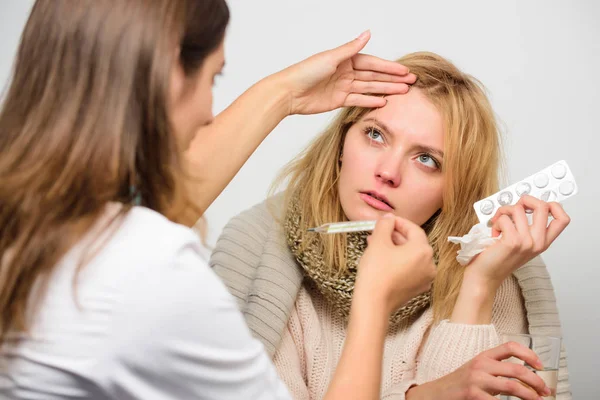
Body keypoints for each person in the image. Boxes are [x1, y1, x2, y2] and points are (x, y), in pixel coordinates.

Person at [0, 1, 441, 399]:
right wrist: (374, 300)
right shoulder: (149, 264)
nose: (211, 114)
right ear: (172, 74)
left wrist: (286, 94)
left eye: (426, 158)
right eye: (215, 77)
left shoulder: (29, 218)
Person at [211, 51, 572, 399]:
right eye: (375, 135)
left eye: (427, 159)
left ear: (454, 189)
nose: (388, 172)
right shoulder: (257, 251)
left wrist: (478, 286)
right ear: (341, 142)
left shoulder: (497, 264)